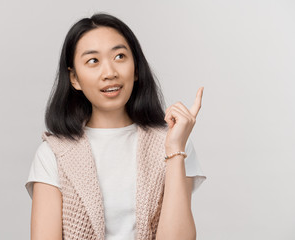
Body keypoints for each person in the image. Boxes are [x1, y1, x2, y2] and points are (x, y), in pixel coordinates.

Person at [25, 13, 206, 240]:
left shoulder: (174, 142)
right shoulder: (53, 153)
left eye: (120, 56)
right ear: (75, 79)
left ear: (136, 69)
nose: (110, 73)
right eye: (93, 61)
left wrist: (175, 151)